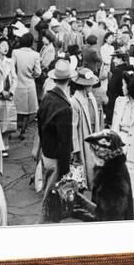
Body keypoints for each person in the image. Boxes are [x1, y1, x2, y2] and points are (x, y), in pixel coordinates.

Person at [37, 59, 76, 223]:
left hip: (45, 154)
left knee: (48, 192)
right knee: (52, 199)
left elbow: (39, 125)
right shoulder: (64, 107)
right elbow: (64, 142)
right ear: (69, 80)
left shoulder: (47, 98)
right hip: (56, 159)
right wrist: (66, 171)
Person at [70, 130, 134, 222]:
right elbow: (101, 209)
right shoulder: (113, 168)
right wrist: (79, 199)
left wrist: (80, 214)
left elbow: (108, 218)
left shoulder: (112, 178)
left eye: (94, 151)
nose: (92, 155)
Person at [70, 68, 101, 190]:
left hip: (93, 135)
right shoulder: (75, 102)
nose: (92, 86)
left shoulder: (91, 97)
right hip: (82, 135)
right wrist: (75, 149)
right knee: (83, 167)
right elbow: (73, 127)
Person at [12, 32, 42, 139]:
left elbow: (12, 68)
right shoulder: (35, 54)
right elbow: (38, 72)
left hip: (17, 84)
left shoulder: (15, 52)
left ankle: (14, 129)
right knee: (27, 111)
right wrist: (31, 75)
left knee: (16, 109)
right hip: (29, 84)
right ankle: (23, 131)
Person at [105, 49, 134, 126]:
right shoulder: (131, 69)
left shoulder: (117, 71)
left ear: (120, 59)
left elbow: (111, 88)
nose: (113, 61)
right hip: (128, 102)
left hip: (117, 103)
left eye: (114, 58)